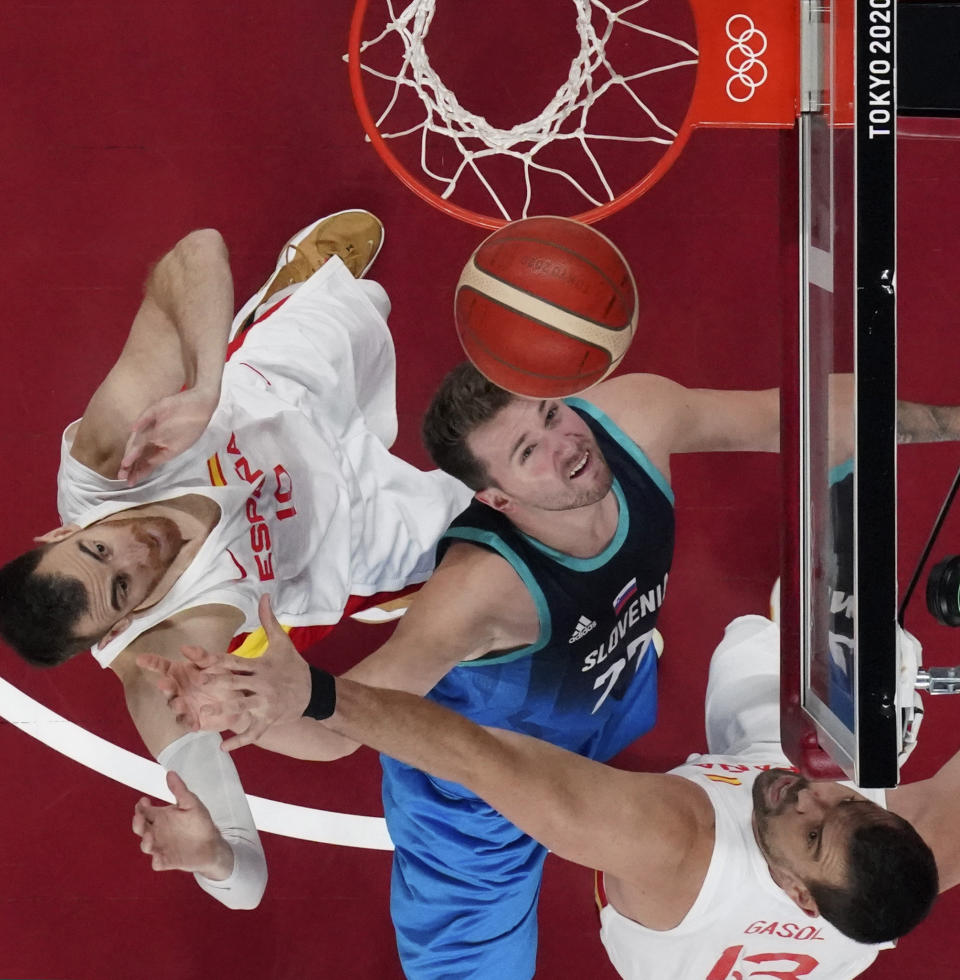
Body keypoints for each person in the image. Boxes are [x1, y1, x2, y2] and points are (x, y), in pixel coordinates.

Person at [137, 369, 960, 976]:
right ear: (493, 499)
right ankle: (853, 645)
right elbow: (431, 750)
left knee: (755, 680)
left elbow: (821, 418)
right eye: (531, 447)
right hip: (482, 800)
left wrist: (263, 700)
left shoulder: (630, 422)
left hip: (573, 723)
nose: (569, 441)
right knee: (785, 672)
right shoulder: (479, 595)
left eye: (554, 413)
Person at [0, 211, 471, 908]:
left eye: (97, 547)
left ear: (55, 532)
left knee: (359, 305)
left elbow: (194, 253)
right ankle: (392, 590)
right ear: (116, 630)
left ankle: (274, 304)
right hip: (347, 536)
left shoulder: (102, 464)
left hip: (277, 391)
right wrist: (215, 854)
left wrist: (206, 384)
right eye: (124, 584)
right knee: (504, 538)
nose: (137, 548)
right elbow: (246, 885)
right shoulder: (165, 670)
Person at [144, 600, 948, 979]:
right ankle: (868, 698)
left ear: (800, 896)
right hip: (789, 853)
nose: (805, 795)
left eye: (814, 830)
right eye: (840, 802)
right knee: (774, 634)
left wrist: (315, 697)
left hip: (675, 891)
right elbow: (832, 815)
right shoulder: (905, 853)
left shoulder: (672, 841)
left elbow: (479, 760)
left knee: (464, 854)